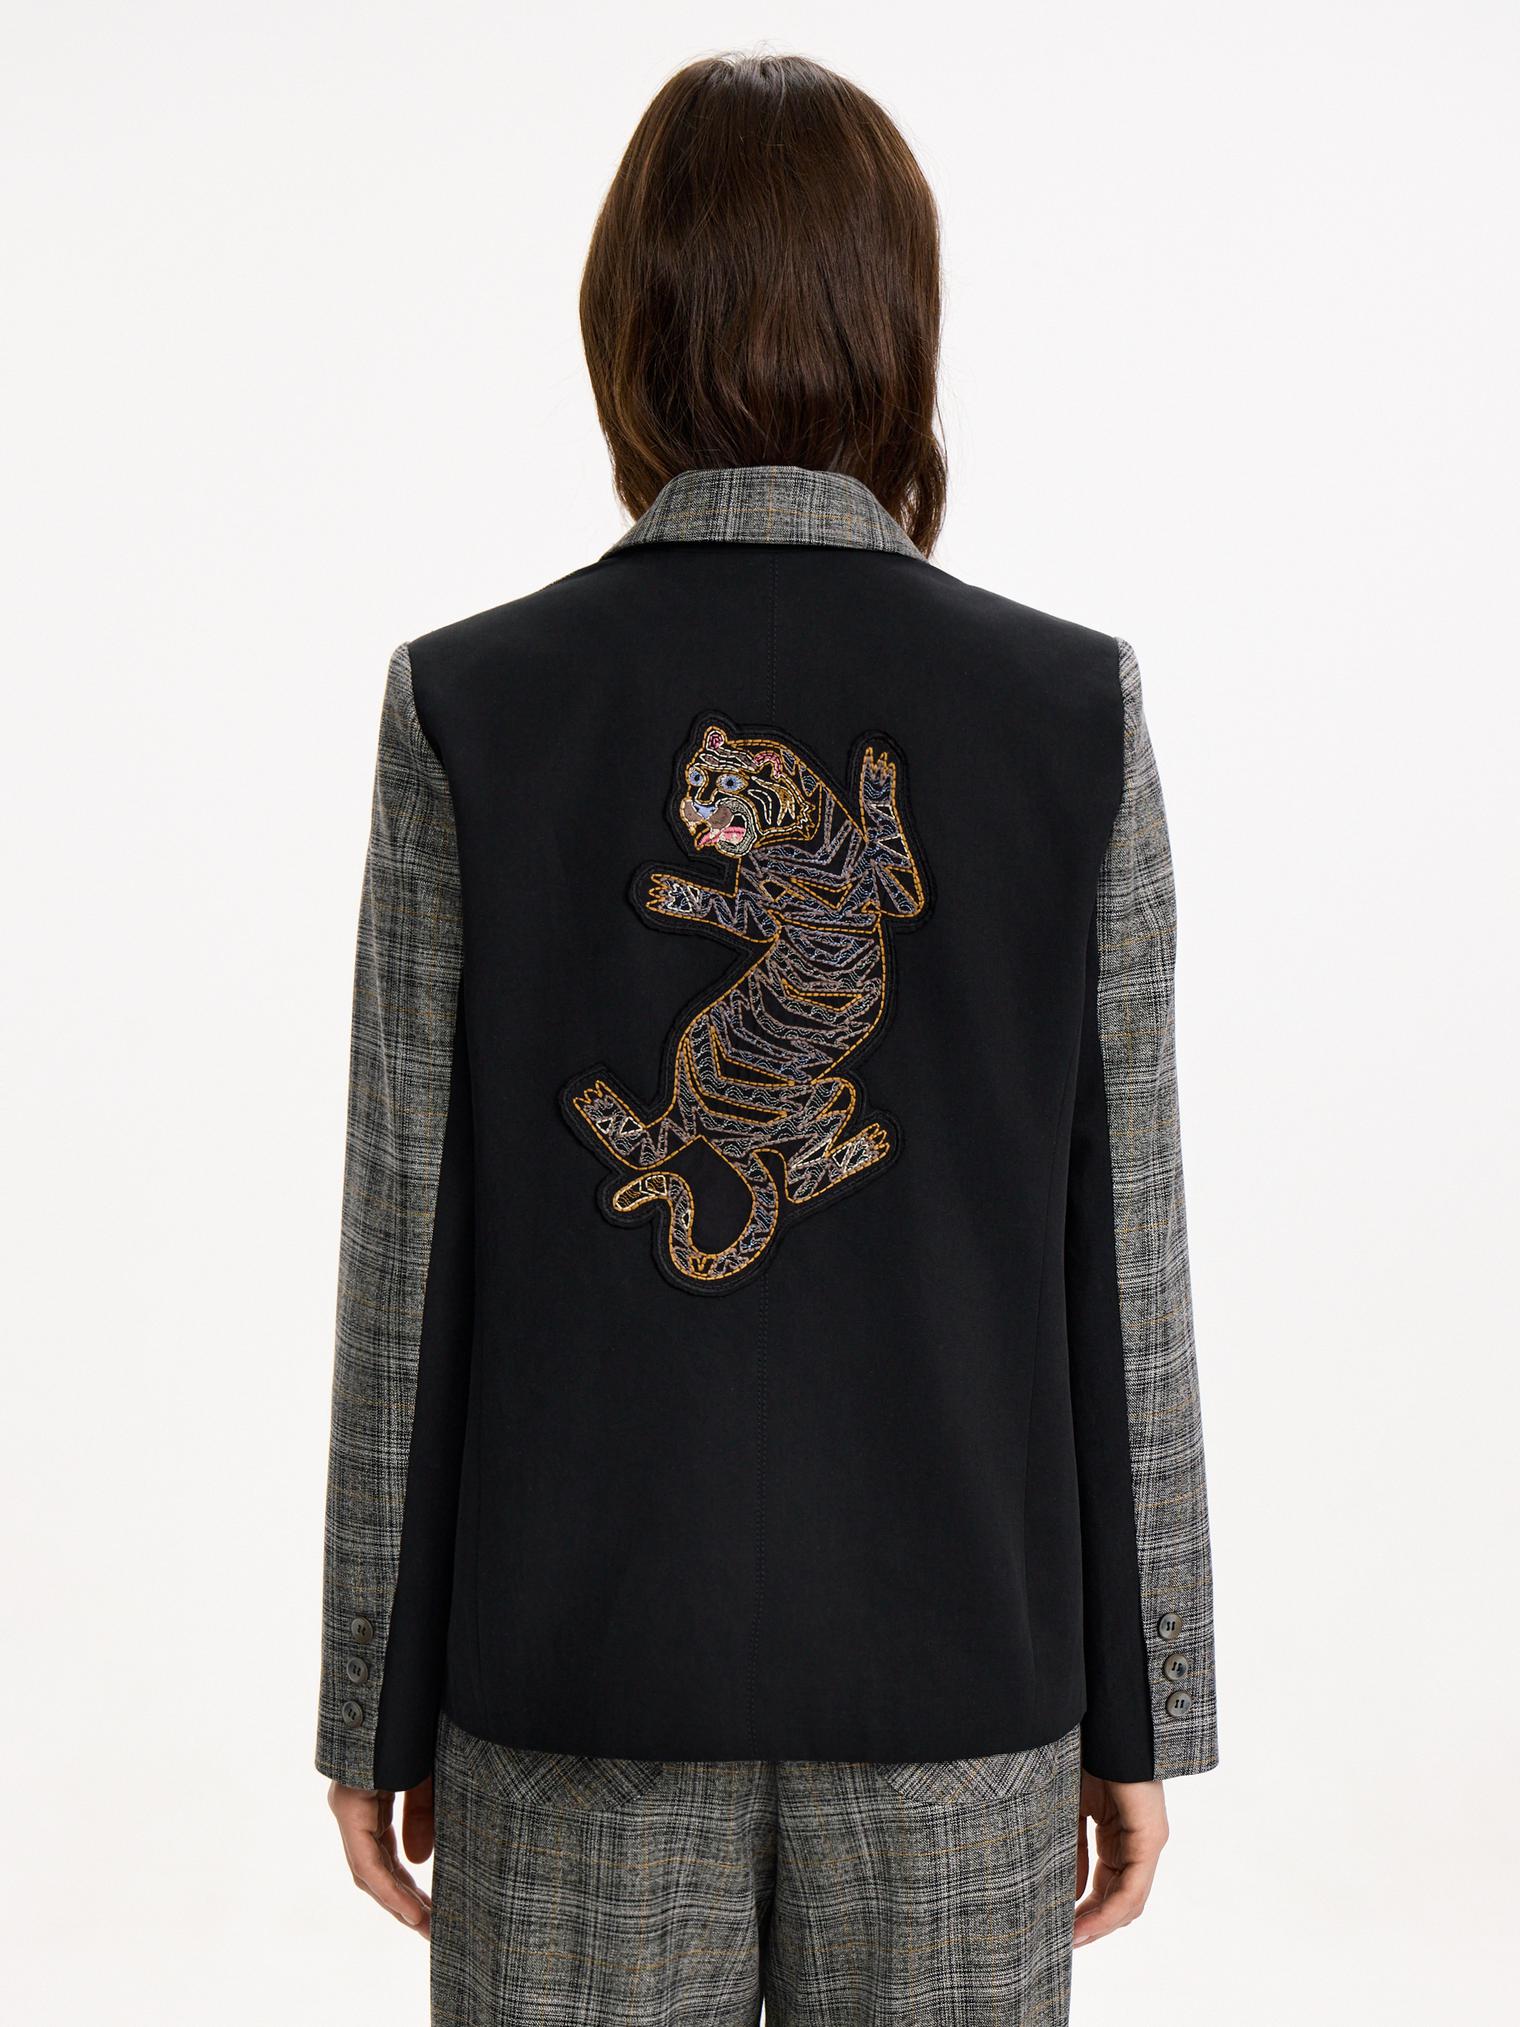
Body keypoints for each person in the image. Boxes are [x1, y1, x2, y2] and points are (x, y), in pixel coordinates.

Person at [316, 49, 1217, 2025]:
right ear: (901, 327)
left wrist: (374, 1694)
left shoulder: (474, 703)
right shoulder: (1065, 712)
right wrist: (1140, 1703)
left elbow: (414, 1236)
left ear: (622, 322)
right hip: (968, 1684)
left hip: (573, 1681)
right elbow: (1118, 1249)